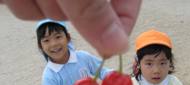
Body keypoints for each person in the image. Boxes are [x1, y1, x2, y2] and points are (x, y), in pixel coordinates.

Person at [0, 0, 142, 58]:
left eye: (58, 37)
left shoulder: (81, 57)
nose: (54, 44)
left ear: (68, 37)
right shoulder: (49, 76)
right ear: (40, 46)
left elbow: (100, 69)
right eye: (46, 40)